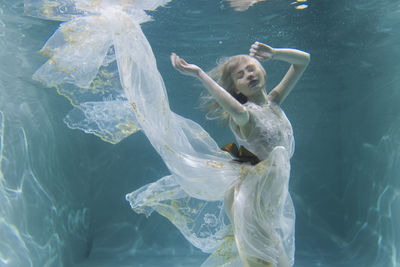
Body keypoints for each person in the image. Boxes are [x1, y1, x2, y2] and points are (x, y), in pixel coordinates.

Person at [170, 42, 310, 267]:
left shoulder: (273, 103)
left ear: (262, 70)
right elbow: (235, 109)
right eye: (240, 75)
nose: (249, 75)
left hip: (268, 203)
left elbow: (304, 61)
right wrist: (198, 73)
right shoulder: (246, 117)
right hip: (252, 204)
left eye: (251, 68)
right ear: (235, 90)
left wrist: (275, 53)